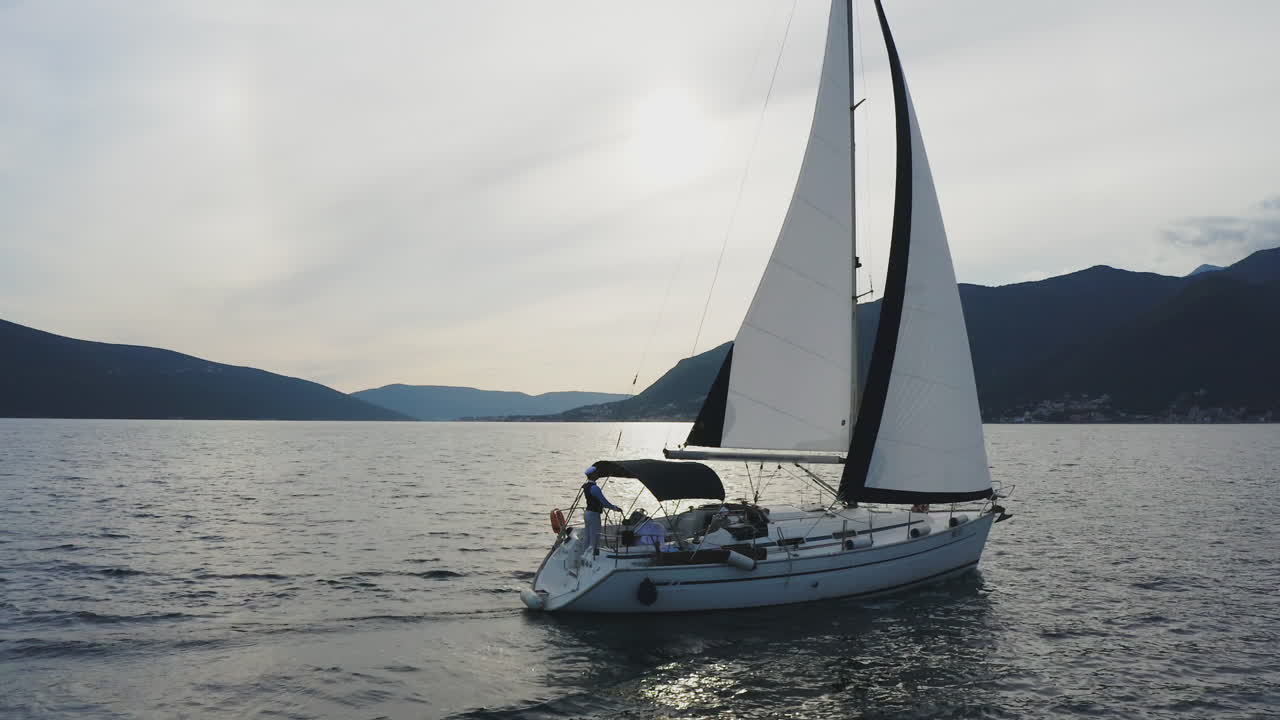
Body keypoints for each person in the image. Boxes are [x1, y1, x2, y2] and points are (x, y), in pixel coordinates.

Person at [582, 466, 622, 558]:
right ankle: (592, 557)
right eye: (595, 473)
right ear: (592, 475)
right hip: (593, 514)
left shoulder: (586, 486)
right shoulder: (595, 488)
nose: (597, 474)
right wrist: (614, 508)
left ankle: (584, 555)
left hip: (587, 513)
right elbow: (603, 502)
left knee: (587, 536)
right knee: (595, 537)